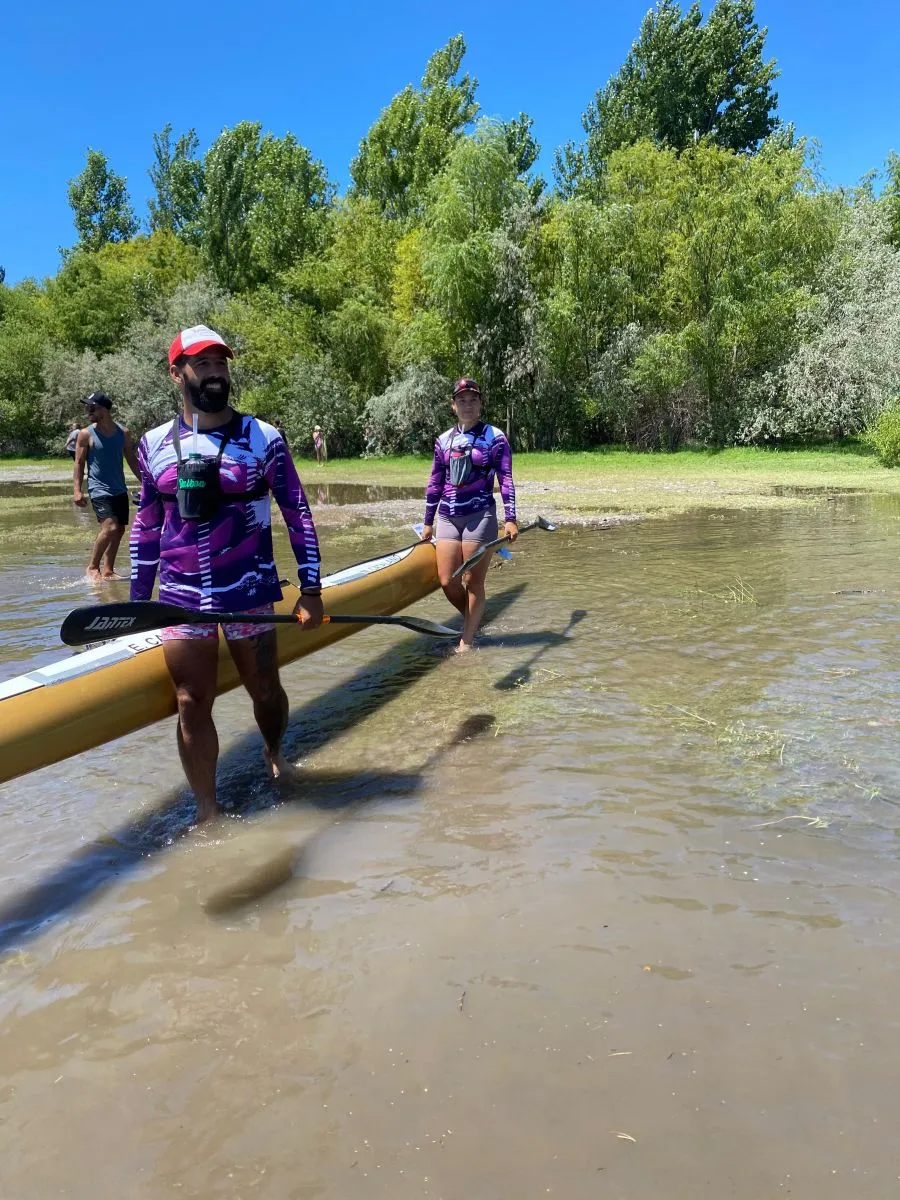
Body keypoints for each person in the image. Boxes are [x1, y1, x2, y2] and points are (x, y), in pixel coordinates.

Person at [129, 324, 324, 823]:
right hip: (180, 596)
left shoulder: (264, 438)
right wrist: (136, 602)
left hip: (249, 590)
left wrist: (311, 588)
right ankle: (207, 811)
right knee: (191, 701)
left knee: (266, 691)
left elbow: (297, 512)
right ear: (178, 375)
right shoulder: (153, 445)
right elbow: (146, 525)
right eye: (203, 364)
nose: (215, 373)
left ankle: (274, 752)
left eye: (221, 364)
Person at [420, 378, 518, 652]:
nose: (467, 405)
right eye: (461, 400)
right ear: (453, 405)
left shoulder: (495, 437)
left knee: (472, 581)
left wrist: (510, 518)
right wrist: (427, 522)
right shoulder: (443, 441)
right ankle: (474, 620)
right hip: (448, 516)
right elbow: (435, 483)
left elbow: (506, 479)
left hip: (480, 515)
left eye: (473, 400)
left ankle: (467, 641)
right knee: (447, 580)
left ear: (481, 403)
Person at [73, 392, 141, 581]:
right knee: (110, 527)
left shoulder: (123, 433)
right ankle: (92, 567)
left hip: (119, 488)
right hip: (98, 489)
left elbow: (131, 459)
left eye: (91, 407)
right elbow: (79, 463)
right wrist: (77, 490)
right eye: (87, 407)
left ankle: (108, 570)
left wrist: (147, 482)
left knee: (119, 530)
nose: (88, 411)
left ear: (104, 409)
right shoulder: (85, 434)